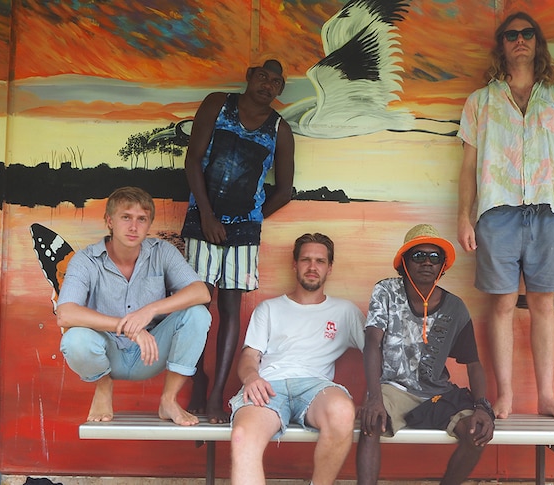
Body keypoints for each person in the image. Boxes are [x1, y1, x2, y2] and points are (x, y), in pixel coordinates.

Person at [457, 11, 554, 421]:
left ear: (537, 41)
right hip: (498, 212)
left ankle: (547, 396)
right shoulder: (480, 101)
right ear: (502, 44)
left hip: (548, 212)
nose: (520, 40)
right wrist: (464, 215)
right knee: (502, 305)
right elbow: (468, 165)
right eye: (511, 35)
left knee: (545, 304)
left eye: (527, 33)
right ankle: (505, 396)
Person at [182, 58, 295, 423]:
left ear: (279, 89)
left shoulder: (281, 129)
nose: (267, 84)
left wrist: (251, 218)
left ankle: (217, 393)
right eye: (263, 76)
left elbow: (285, 190)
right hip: (204, 221)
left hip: (243, 233)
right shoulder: (218, 104)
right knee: (197, 307)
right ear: (249, 77)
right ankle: (197, 378)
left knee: (231, 310)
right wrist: (209, 216)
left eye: (276, 82)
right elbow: (193, 161)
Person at [57, 186, 212, 426]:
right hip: (107, 354)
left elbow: (201, 292)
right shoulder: (86, 259)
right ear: (109, 221)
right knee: (74, 339)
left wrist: (149, 310)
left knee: (198, 314)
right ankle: (103, 385)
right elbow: (65, 313)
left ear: (149, 224)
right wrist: (127, 326)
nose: (134, 227)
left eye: (142, 219)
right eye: (126, 217)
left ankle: (168, 400)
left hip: (150, 353)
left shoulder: (162, 252)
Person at [357, 224, 495, 485]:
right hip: (393, 389)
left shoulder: (455, 307)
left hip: (437, 394)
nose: (427, 262)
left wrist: (481, 406)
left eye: (435, 257)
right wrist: (373, 397)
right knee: (371, 423)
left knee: (476, 434)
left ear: (442, 265)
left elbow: (473, 363)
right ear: (404, 263)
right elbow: (372, 343)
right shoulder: (386, 291)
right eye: (418, 256)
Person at [229, 233, 364, 484]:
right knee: (241, 436)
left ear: (330, 268)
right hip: (269, 385)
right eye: (306, 260)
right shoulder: (269, 308)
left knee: (343, 411)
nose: (313, 267)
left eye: (320, 261)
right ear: (295, 264)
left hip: (316, 386)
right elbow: (249, 355)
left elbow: (375, 352)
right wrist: (251, 377)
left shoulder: (345, 311)